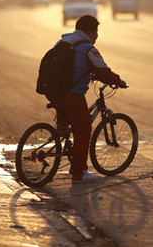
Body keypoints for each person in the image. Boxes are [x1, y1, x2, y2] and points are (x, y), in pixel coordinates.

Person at [46, 15, 126, 184]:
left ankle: (61, 129)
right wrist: (118, 81)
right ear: (90, 32)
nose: (96, 37)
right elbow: (103, 71)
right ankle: (79, 173)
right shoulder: (87, 48)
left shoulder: (63, 42)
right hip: (72, 94)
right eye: (96, 33)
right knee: (83, 130)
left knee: (67, 121)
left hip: (53, 91)